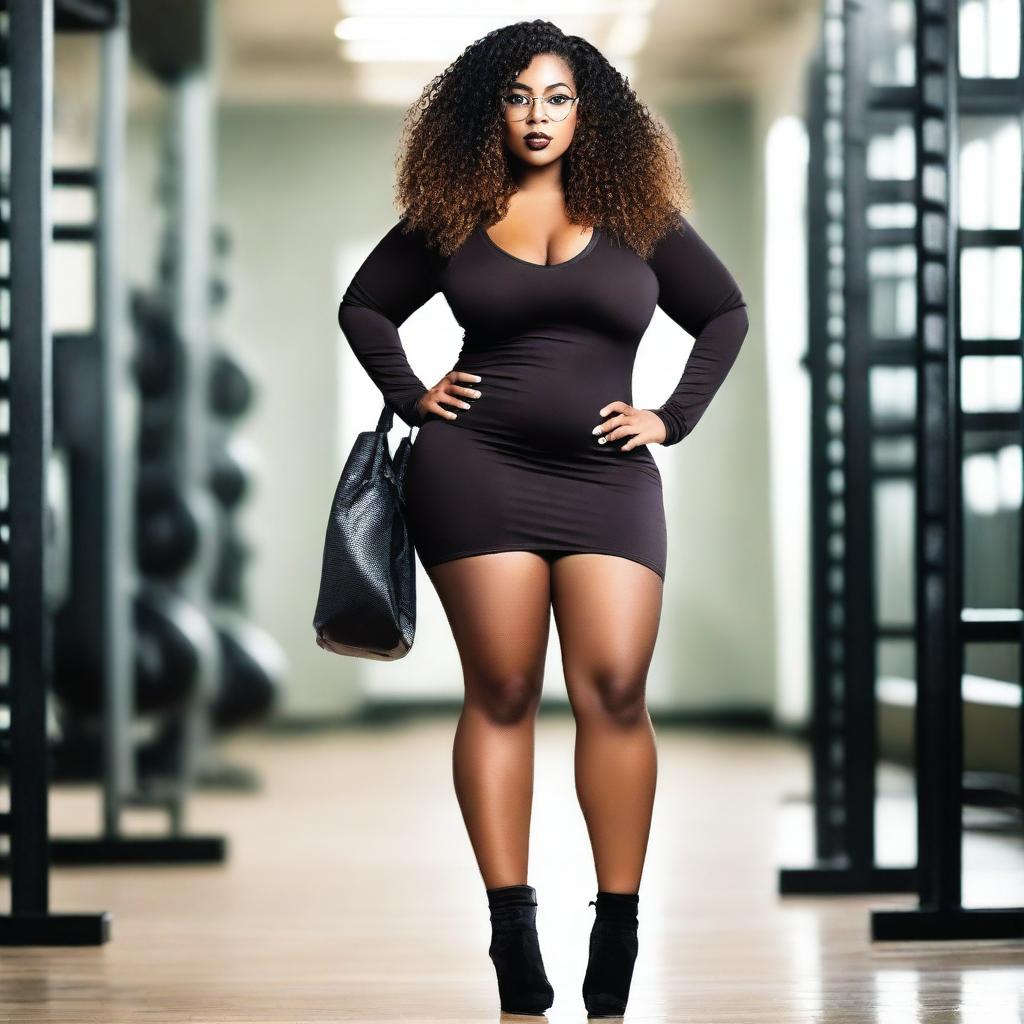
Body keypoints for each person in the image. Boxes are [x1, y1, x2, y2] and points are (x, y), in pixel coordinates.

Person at [337, 19, 749, 1018]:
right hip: (475, 471)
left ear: (588, 111)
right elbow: (365, 307)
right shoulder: (452, 209)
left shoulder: (641, 215)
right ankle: (512, 925)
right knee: (505, 687)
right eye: (518, 96)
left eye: (557, 97)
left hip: (609, 477)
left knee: (612, 685)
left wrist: (671, 415)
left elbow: (723, 314)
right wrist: (410, 394)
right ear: (491, 108)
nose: (536, 115)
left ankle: (617, 919)